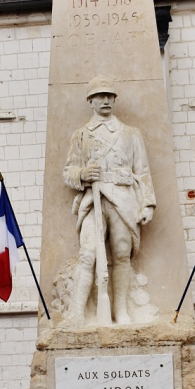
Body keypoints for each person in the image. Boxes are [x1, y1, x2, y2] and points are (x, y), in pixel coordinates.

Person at [63, 76, 156, 324]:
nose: (106, 100)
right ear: (91, 101)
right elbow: (68, 171)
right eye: (100, 96)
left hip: (123, 199)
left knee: (122, 254)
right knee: (88, 253)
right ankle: (77, 312)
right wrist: (82, 174)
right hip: (93, 200)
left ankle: (121, 311)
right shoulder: (81, 136)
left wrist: (147, 203)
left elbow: (142, 171)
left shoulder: (130, 134)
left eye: (109, 96)